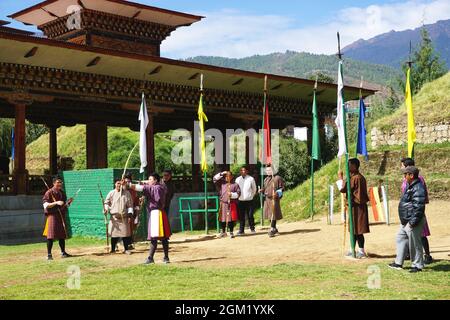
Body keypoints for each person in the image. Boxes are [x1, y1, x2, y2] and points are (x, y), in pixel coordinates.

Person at [126, 173, 172, 264]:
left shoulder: (156, 188)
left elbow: (141, 188)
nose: (149, 181)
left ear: (155, 181)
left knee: (155, 237)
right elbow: (146, 185)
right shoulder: (160, 186)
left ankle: (151, 258)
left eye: (151, 179)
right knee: (163, 237)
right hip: (158, 213)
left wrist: (128, 184)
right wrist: (145, 182)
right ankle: (165, 257)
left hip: (156, 213)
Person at [389, 166, 426, 273]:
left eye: (406, 174)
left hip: (413, 221)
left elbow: (419, 206)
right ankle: (398, 263)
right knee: (400, 237)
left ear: (411, 175)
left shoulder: (418, 187)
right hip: (406, 221)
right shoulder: (410, 186)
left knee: (415, 244)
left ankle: (418, 265)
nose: (404, 176)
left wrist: (412, 222)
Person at [401, 158, 433, 264]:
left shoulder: (419, 179)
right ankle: (409, 253)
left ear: (408, 167)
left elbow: (419, 195)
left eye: (402, 165)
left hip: (416, 209)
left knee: (421, 233)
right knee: (407, 232)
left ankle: (427, 255)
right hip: (407, 211)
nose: (401, 167)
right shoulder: (406, 179)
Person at [338, 158, 370, 258]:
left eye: (349, 165)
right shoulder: (353, 177)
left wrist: (341, 178)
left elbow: (346, 190)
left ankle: (361, 250)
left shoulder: (357, 178)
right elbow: (344, 189)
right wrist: (342, 178)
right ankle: (353, 249)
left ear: (354, 166)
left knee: (358, 230)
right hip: (354, 207)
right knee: (353, 230)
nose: (347, 167)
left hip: (358, 207)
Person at [42, 176, 73, 260]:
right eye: (58, 182)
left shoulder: (62, 193)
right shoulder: (49, 192)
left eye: (61, 182)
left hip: (60, 216)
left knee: (61, 235)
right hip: (52, 216)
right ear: (54, 183)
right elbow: (45, 205)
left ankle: (63, 252)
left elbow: (63, 205)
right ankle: (49, 255)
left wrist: (68, 203)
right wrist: (56, 202)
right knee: (50, 236)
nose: (60, 184)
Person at [104, 179, 134, 255]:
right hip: (114, 218)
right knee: (114, 235)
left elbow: (130, 206)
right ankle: (113, 249)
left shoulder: (127, 193)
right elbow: (106, 203)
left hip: (124, 217)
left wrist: (130, 215)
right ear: (115, 184)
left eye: (120, 184)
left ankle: (126, 249)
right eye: (118, 183)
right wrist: (106, 209)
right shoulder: (111, 193)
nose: (119, 185)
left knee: (125, 234)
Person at [259, 165, 285, 238]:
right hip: (267, 199)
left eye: (269, 170)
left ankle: (272, 228)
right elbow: (265, 188)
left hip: (274, 199)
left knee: (273, 214)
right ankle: (274, 228)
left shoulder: (277, 178)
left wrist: (277, 193)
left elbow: (282, 188)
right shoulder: (266, 179)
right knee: (269, 214)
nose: (268, 172)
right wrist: (262, 190)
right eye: (267, 170)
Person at [213, 171, 241, 238]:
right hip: (223, 203)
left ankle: (231, 232)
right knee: (222, 218)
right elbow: (214, 179)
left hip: (231, 204)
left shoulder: (235, 184)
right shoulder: (221, 183)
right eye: (226, 176)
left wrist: (232, 195)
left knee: (231, 219)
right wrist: (222, 173)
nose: (227, 177)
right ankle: (223, 232)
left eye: (228, 176)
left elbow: (239, 193)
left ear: (231, 177)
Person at [235, 166, 257, 235]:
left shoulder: (251, 179)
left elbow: (254, 189)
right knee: (241, 216)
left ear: (247, 171)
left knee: (250, 215)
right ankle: (241, 230)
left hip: (249, 200)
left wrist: (251, 196)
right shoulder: (237, 179)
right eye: (241, 170)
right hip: (240, 200)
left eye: (244, 170)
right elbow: (236, 189)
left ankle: (252, 228)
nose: (243, 171)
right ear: (240, 172)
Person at [124, 173, 141, 249]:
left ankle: (129, 243)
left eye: (128, 181)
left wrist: (136, 215)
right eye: (126, 181)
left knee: (131, 228)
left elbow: (136, 203)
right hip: (123, 212)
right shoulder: (121, 190)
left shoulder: (133, 191)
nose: (127, 183)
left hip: (131, 212)